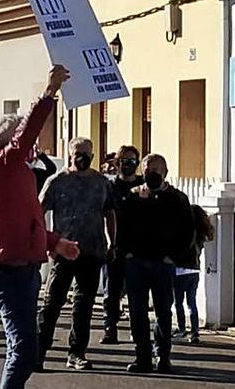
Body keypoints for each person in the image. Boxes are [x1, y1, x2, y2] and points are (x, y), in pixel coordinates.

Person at [0, 64, 80, 389]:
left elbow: (22, 221)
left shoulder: (13, 171)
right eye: (25, 146)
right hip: (8, 270)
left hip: (25, 266)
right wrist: (48, 93)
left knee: (25, 350)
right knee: (23, 350)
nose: (32, 152)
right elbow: (24, 138)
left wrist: (54, 242)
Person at [37, 137, 116, 371]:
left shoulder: (101, 183)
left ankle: (76, 352)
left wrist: (112, 242)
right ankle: (38, 352)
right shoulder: (57, 182)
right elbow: (38, 212)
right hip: (64, 251)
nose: (82, 158)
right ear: (70, 155)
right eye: (77, 153)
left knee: (84, 305)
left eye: (86, 154)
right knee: (52, 303)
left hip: (92, 251)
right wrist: (48, 241)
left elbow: (109, 213)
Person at [118, 154, 194, 374]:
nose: (152, 173)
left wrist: (174, 256)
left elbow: (187, 231)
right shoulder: (132, 198)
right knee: (137, 311)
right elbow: (122, 227)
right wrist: (127, 254)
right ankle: (142, 356)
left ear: (165, 172)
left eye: (157, 169)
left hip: (163, 263)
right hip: (137, 262)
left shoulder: (177, 198)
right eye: (148, 169)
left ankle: (163, 356)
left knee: (163, 311)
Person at [101, 145, 141, 345]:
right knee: (111, 291)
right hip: (114, 246)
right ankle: (110, 328)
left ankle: (137, 329)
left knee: (136, 292)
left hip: (138, 249)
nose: (128, 165)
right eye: (124, 161)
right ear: (117, 163)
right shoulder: (109, 187)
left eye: (132, 161)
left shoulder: (143, 187)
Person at [174, 196, 214, 344]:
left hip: (179, 270)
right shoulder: (201, 234)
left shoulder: (184, 232)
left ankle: (182, 328)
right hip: (195, 270)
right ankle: (195, 332)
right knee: (192, 302)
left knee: (178, 302)